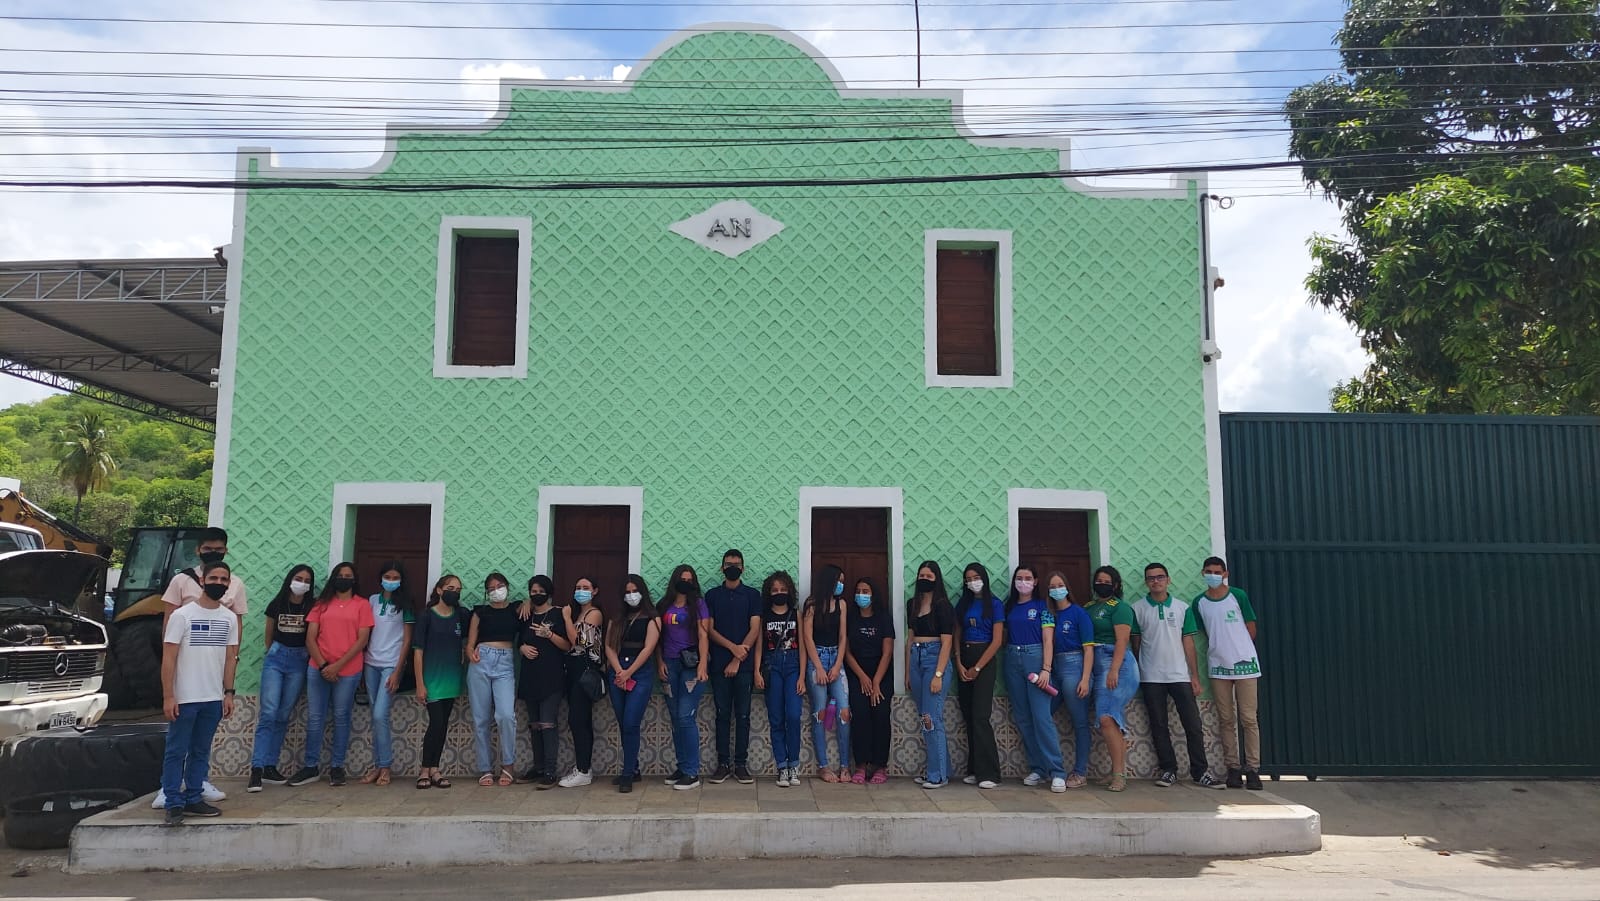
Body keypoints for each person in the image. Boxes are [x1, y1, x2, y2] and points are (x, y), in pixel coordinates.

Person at [154, 526, 244, 806]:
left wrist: (228, 692)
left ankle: (195, 793)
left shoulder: (229, 616)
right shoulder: (181, 607)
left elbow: (231, 654)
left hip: (213, 695)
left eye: (223, 579)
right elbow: (169, 651)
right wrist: (169, 694)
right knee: (176, 748)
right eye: (213, 578)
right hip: (185, 692)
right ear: (203, 580)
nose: (219, 582)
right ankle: (171, 797)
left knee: (201, 749)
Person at [1132, 562, 1225, 789]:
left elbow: (1188, 642)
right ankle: (1168, 770)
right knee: (1159, 725)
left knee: (1193, 725)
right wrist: (1138, 672)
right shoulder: (1137, 609)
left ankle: (1200, 772)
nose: (1156, 581)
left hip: (1180, 675)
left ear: (1168, 580)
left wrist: (1194, 676)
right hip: (1151, 676)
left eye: (1160, 577)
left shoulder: (1183, 608)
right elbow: (1135, 643)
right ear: (1146, 582)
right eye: (1151, 578)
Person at [287, 561, 371, 788]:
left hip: (349, 670)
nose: (344, 579)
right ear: (334, 578)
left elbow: (362, 640)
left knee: (341, 717)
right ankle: (311, 766)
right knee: (315, 717)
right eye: (340, 575)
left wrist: (337, 666)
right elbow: (310, 638)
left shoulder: (362, 605)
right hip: (318, 669)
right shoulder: (321, 604)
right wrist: (325, 665)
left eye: (348, 576)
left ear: (354, 580)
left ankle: (337, 766)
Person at [1193, 556, 1263, 790]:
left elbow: (1251, 626)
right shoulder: (1199, 602)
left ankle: (1253, 768)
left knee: (1249, 718)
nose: (1212, 575)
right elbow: (1205, 631)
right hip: (1218, 667)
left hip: (1246, 665)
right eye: (1208, 571)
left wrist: (1239, 649)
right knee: (1226, 719)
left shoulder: (1238, 596)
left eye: (1217, 571)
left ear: (1225, 574)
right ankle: (1233, 767)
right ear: (1203, 573)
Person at [247, 565, 313, 793]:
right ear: (290, 579)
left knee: (283, 714)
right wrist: (273, 652)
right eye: (298, 578)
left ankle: (270, 765)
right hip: (276, 659)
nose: (302, 583)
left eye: (307, 580)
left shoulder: (311, 606)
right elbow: (269, 633)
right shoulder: (277, 604)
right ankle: (256, 769)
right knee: (269, 713)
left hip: (299, 661)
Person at [1002, 564, 1067, 792]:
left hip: (1036, 658)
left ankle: (1057, 771)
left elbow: (1048, 639)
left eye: (1028, 578)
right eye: (1019, 578)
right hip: (1012, 658)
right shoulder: (1009, 606)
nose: (1023, 582)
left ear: (1036, 581)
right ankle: (1038, 768)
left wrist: (1046, 669)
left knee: (1041, 717)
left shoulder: (1043, 606)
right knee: (1023, 717)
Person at [704, 548, 761, 784]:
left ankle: (740, 764)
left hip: (744, 667)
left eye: (736, 565)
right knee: (722, 714)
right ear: (722, 568)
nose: (732, 568)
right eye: (729, 564)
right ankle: (722, 764)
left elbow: (755, 629)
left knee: (743, 715)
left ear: (743, 568)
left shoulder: (752, 595)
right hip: (719, 665)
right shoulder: (712, 595)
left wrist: (738, 658)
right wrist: (732, 649)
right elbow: (709, 629)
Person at [1087, 565, 1140, 792]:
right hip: (1096, 664)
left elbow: (1122, 640)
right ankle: (1114, 772)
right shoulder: (1089, 607)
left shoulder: (1120, 607)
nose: (1102, 584)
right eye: (1099, 580)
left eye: (1107, 581)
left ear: (1116, 585)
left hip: (1116, 664)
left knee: (1107, 717)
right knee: (1107, 718)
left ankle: (1119, 775)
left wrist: (1114, 670)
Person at [656, 564, 710, 790]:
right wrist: (659, 662)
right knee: (675, 718)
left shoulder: (698, 604)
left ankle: (692, 772)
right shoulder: (664, 605)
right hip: (669, 665)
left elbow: (703, 635)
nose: (685, 583)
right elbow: (657, 637)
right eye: (682, 579)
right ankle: (682, 766)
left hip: (691, 665)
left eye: (689, 580)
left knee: (685, 717)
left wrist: (703, 665)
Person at [360, 560, 413, 788]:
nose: (391, 581)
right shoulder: (372, 600)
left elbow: (407, 640)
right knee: (375, 715)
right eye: (387, 577)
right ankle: (378, 765)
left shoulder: (406, 604)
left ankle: (385, 766)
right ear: (381, 578)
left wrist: (398, 670)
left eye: (395, 578)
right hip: (370, 663)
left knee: (381, 714)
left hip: (391, 664)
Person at [606, 574, 659, 793]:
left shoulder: (652, 618)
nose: (631, 596)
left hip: (640, 673)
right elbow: (609, 646)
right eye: (627, 592)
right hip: (617, 672)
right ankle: (633, 766)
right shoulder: (617, 618)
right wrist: (619, 671)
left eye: (635, 591)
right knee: (622, 722)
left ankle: (627, 773)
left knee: (631, 722)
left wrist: (629, 672)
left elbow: (648, 648)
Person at [412, 574, 466, 789]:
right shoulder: (426, 616)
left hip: (452, 679)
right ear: (439, 590)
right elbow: (418, 652)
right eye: (451, 588)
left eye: (458, 590)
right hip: (431, 680)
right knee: (435, 723)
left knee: (443, 725)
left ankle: (435, 769)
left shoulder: (460, 615)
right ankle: (424, 770)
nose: (455, 592)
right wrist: (420, 684)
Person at [516, 575, 569, 789]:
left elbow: (568, 645)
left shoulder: (558, 614)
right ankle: (537, 767)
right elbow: (518, 640)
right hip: (530, 676)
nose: (537, 595)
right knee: (535, 724)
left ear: (549, 592)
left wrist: (550, 635)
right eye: (533, 591)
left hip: (552, 676)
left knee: (548, 723)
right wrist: (522, 648)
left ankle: (550, 770)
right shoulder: (525, 614)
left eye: (541, 591)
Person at [904, 561, 954, 788]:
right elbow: (910, 639)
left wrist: (938, 674)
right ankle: (942, 768)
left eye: (929, 576)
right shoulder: (912, 604)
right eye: (921, 575)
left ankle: (938, 775)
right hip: (916, 658)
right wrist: (907, 671)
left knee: (931, 718)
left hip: (935, 658)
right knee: (925, 716)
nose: (924, 579)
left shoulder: (943, 606)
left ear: (936, 579)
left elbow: (947, 643)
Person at [954, 563, 1003, 788]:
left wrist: (978, 667)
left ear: (983, 578)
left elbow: (997, 640)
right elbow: (957, 633)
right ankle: (974, 769)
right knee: (969, 715)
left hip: (984, 659)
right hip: (965, 656)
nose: (972, 582)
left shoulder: (995, 604)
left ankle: (989, 773)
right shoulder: (963, 604)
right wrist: (958, 662)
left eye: (976, 577)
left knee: (981, 716)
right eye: (968, 579)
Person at [467, 572, 519, 787]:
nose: (496, 591)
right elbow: (470, 643)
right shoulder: (480, 612)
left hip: (505, 663)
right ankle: (485, 768)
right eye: (491, 588)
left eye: (500, 586)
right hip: (481, 661)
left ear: (507, 586)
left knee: (506, 715)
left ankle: (508, 765)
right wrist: (470, 653)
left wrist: (527, 602)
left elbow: (531, 606)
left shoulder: (516, 609)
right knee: (481, 719)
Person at [801, 564, 851, 783]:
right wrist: (819, 667)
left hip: (836, 659)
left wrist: (838, 665)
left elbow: (843, 636)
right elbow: (807, 637)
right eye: (838, 580)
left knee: (844, 712)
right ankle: (823, 765)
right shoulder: (811, 605)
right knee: (819, 712)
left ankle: (845, 765)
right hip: (817, 659)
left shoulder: (842, 604)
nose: (840, 585)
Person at [754, 571, 803, 787]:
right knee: (776, 718)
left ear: (789, 591)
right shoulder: (764, 617)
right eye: (775, 590)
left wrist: (802, 676)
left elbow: (803, 647)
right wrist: (756, 671)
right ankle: (782, 766)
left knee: (793, 715)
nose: (779, 593)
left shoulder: (796, 614)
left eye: (783, 589)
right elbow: (759, 646)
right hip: (772, 667)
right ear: (769, 592)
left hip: (793, 667)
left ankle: (794, 764)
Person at [1045, 571, 1095, 789]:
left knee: (1080, 722)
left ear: (1067, 587)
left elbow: (1089, 649)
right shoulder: (1049, 614)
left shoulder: (1079, 613)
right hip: (1054, 669)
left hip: (1075, 667)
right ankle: (1047, 766)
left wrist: (1085, 678)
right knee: (1042, 714)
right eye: (1052, 586)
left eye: (1060, 585)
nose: (1057, 589)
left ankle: (1080, 772)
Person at [843, 577, 895, 784]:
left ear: (873, 595)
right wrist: (863, 677)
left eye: (865, 591)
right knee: (861, 715)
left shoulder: (883, 618)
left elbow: (887, 652)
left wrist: (876, 682)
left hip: (881, 674)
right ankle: (861, 765)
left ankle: (880, 766)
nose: (861, 595)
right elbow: (846, 651)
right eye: (858, 591)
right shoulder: (851, 618)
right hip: (858, 673)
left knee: (881, 714)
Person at [559, 576, 606, 788]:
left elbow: (579, 640)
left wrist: (566, 618)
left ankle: (583, 770)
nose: (581, 591)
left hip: (585, 671)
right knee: (579, 719)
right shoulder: (579, 613)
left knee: (578, 720)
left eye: (585, 587)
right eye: (578, 587)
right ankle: (583, 767)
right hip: (573, 670)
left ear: (594, 591)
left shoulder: (594, 613)